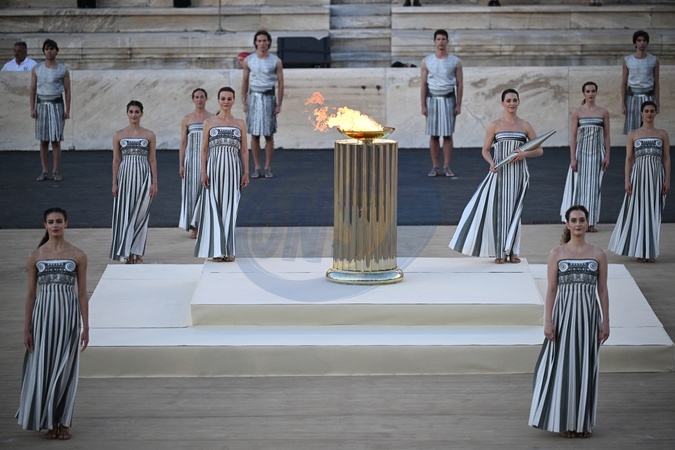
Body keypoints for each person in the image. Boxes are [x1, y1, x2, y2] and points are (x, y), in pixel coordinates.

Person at [529, 205, 610, 439]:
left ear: (587, 223)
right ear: (567, 224)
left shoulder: (598, 254)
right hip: (564, 319)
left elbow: (602, 290)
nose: (578, 224)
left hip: (589, 319)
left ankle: (583, 423)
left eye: (582, 220)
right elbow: (551, 290)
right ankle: (566, 421)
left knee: (586, 368)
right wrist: (548, 321)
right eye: (573, 220)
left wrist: (605, 321)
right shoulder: (557, 253)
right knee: (564, 368)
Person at [16, 207, 89, 440]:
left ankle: (64, 422)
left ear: (66, 224)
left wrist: (86, 326)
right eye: (51, 222)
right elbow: (31, 294)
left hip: (68, 319)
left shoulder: (78, 255)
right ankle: (49, 421)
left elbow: (82, 294)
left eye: (59, 221)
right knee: (44, 367)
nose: (55, 225)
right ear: (45, 225)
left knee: (66, 369)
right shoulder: (35, 256)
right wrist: (27, 329)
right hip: (42, 320)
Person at [449, 88, 543, 263]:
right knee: (499, 211)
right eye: (508, 101)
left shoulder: (525, 125)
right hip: (499, 173)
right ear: (502, 103)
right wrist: (491, 162)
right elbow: (485, 150)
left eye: (514, 100)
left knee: (515, 210)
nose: (512, 103)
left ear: (519, 102)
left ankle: (513, 251)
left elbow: (539, 150)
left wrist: (524, 154)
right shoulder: (495, 125)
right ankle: (500, 251)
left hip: (519, 174)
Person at [608, 101, 670, 262]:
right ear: (641, 113)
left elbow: (666, 158)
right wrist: (627, 180)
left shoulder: (662, 133)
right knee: (639, 211)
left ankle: (650, 251)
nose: (649, 113)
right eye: (646, 111)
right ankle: (639, 250)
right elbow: (629, 158)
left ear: (655, 113)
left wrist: (667, 179)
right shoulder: (633, 134)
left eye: (652, 111)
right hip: (639, 176)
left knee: (654, 212)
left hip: (656, 176)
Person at [194, 87, 249, 262]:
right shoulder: (209, 123)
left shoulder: (240, 123)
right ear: (218, 100)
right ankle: (216, 250)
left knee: (231, 207)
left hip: (233, 170)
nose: (226, 101)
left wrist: (246, 172)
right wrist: (203, 172)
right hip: (214, 169)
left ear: (234, 101)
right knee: (213, 207)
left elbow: (244, 151)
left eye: (229, 98)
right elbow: (203, 150)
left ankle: (229, 250)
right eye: (223, 98)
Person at [110, 100, 158, 264]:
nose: (134, 115)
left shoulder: (149, 135)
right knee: (125, 213)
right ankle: (126, 251)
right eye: (131, 112)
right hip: (125, 176)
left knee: (141, 214)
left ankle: (138, 252)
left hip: (144, 176)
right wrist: (114, 183)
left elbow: (152, 160)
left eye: (137, 112)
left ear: (142, 113)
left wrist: (155, 182)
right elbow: (116, 160)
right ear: (127, 113)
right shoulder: (118, 134)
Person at [560, 81, 610, 232]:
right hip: (581, 153)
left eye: (593, 91)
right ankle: (576, 222)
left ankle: (591, 222)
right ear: (584, 93)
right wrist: (572, 158)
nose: (590, 94)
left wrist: (607, 155)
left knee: (594, 188)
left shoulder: (603, 112)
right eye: (588, 91)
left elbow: (607, 135)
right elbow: (573, 136)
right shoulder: (577, 112)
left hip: (597, 154)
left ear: (596, 92)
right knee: (580, 187)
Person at [420, 29, 463, 177]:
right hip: (432, 99)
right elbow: (423, 84)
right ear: (434, 41)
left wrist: (458, 104)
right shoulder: (427, 61)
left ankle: (446, 167)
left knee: (447, 135)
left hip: (449, 99)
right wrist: (423, 105)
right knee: (434, 135)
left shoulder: (455, 61)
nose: (441, 42)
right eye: (438, 39)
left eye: (443, 39)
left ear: (447, 41)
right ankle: (435, 166)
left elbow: (460, 84)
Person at [241, 30, 284, 179]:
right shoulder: (249, 60)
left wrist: (279, 104)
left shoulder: (276, 60)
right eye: (259, 41)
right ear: (255, 43)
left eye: (264, 40)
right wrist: (244, 101)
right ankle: (257, 167)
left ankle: (267, 167)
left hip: (269, 97)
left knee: (269, 134)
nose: (262, 43)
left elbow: (281, 83)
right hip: (254, 97)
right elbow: (245, 81)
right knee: (254, 135)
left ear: (269, 42)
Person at [30, 39, 71, 182]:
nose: (49, 51)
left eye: (52, 48)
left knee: (56, 140)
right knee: (43, 141)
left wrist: (67, 109)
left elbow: (67, 90)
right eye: (47, 49)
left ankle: (56, 170)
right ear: (44, 51)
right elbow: (33, 89)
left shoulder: (63, 69)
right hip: (41, 105)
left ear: (56, 51)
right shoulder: (37, 68)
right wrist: (32, 108)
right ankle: (44, 170)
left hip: (57, 105)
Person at [179, 88, 214, 239]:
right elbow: (183, 142)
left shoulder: (212, 118)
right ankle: (194, 226)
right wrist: (181, 164)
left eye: (202, 97)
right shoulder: (187, 119)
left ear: (206, 98)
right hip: (191, 160)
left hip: (208, 159)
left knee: (205, 191)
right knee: (192, 192)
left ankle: (204, 224)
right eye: (196, 97)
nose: (199, 99)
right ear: (193, 99)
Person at [621, 30, 659, 134]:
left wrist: (658, 103)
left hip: (648, 96)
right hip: (632, 97)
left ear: (647, 43)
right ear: (635, 43)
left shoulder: (654, 60)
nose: (642, 43)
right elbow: (624, 83)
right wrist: (623, 104)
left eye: (644, 40)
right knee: (632, 128)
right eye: (639, 40)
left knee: (647, 126)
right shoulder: (628, 60)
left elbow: (656, 83)